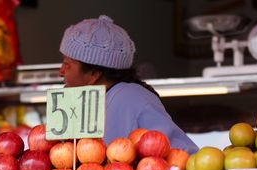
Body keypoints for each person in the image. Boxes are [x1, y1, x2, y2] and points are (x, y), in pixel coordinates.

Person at [58, 15, 198, 153]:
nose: (61, 72)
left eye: (67, 64)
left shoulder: (133, 98)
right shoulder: (80, 103)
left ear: (94, 74)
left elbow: (184, 155)